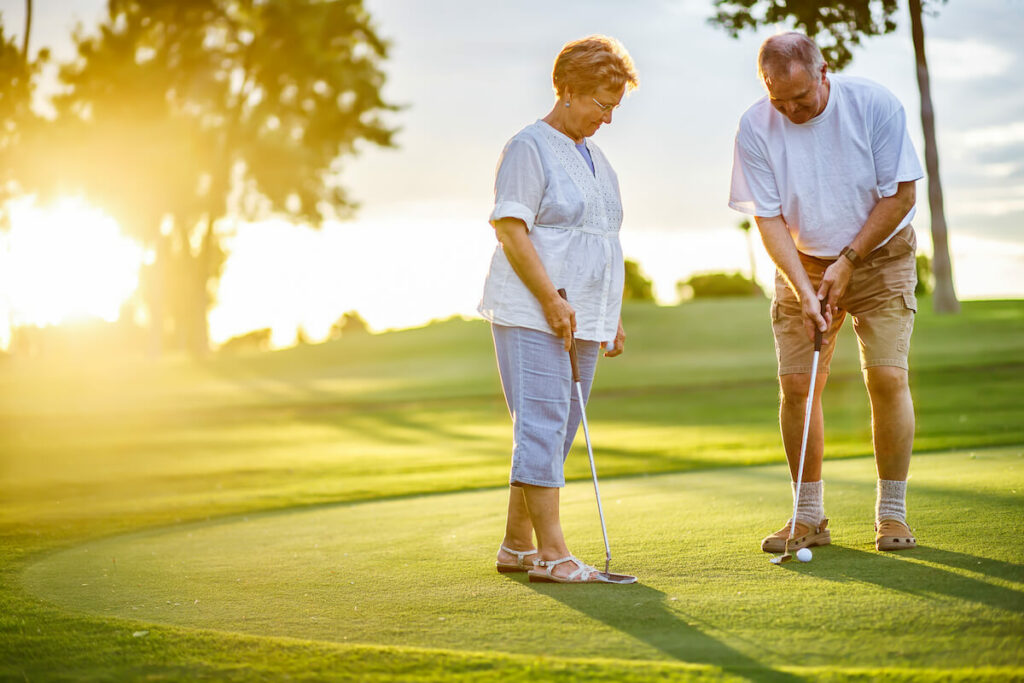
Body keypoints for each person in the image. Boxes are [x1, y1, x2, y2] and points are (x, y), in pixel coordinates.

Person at [729, 32, 924, 553]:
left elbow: (902, 194)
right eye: (779, 100)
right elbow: (767, 219)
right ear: (765, 85)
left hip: (879, 254)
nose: (792, 110)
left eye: (803, 98)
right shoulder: (754, 126)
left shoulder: (873, 105)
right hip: (803, 259)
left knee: (885, 375)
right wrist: (804, 285)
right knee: (797, 386)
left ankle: (892, 515)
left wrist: (849, 260)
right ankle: (808, 516)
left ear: (824, 73)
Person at [479, 35, 637, 583]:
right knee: (542, 428)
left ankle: (516, 545)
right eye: (601, 104)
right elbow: (510, 227)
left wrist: (607, 313)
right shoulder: (529, 146)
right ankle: (552, 554)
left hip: (583, 316)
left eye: (615, 107)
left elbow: (599, 240)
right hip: (531, 311)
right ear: (567, 90)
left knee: (558, 430)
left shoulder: (599, 159)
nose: (608, 119)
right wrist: (549, 298)